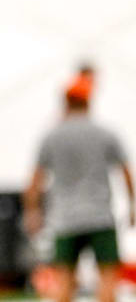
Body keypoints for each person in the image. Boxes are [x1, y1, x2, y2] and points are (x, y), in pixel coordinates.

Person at [23, 68, 135, 302]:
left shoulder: (51, 136)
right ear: (89, 101)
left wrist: (32, 213)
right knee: (107, 278)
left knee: (64, 280)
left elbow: (34, 181)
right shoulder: (105, 133)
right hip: (100, 217)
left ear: (65, 101)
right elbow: (125, 173)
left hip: (64, 220)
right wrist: (132, 206)